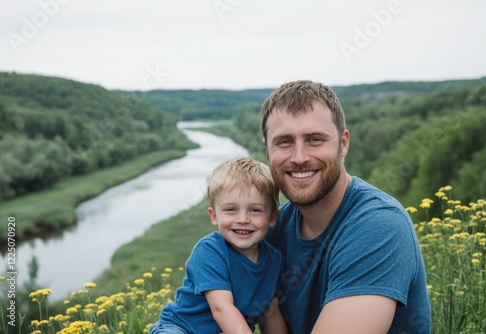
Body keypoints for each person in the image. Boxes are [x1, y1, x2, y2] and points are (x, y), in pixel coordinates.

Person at [261, 80, 431, 333]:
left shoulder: (379, 226)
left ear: (343, 143)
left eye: (315, 139)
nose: (299, 157)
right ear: (266, 149)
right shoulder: (270, 228)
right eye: (284, 142)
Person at [149, 157, 288, 334]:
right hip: (180, 328)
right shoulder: (210, 251)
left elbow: (271, 313)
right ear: (214, 215)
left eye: (255, 210)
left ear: (272, 217)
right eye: (231, 209)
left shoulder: (275, 260)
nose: (243, 219)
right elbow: (222, 308)